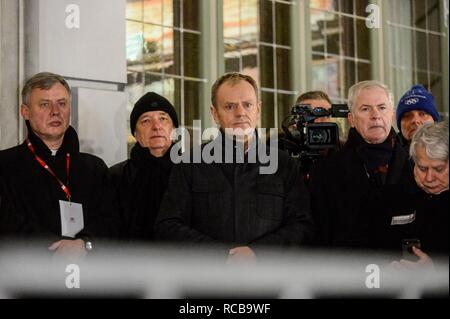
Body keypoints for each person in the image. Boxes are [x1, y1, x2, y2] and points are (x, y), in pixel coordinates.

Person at [155, 72, 314, 262]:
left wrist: (257, 253)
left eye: (247, 105)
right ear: (215, 113)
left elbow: (302, 225)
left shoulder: (284, 165)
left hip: (268, 284)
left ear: (258, 109)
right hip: (209, 284)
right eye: (230, 106)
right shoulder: (189, 165)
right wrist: (222, 255)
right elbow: (168, 225)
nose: (240, 113)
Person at [0, 72, 115, 260]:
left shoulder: (94, 168)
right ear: (25, 111)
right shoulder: (5, 165)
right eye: (44, 104)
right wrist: (56, 247)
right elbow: (8, 225)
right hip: (28, 277)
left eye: (62, 103)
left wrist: (84, 243)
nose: (55, 111)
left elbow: (111, 221)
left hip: (88, 278)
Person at [308, 80, 414, 248]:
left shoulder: (416, 165)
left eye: (382, 107)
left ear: (392, 114)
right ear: (351, 119)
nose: (375, 115)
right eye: (365, 109)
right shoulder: (326, 171)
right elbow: (319, 237)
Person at [368, 121, 448, 264]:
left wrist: (436, 273)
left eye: (439, 169)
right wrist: (383, 273)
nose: (429, 178)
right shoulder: (387, 200)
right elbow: (364, 259)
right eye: (422, 168)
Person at [108, 92, 179, 242]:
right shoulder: (116, 176)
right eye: (146, 121)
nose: (156, 127)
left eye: (163, 119)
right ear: (135, 133)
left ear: (174, 129)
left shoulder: (192, 173)